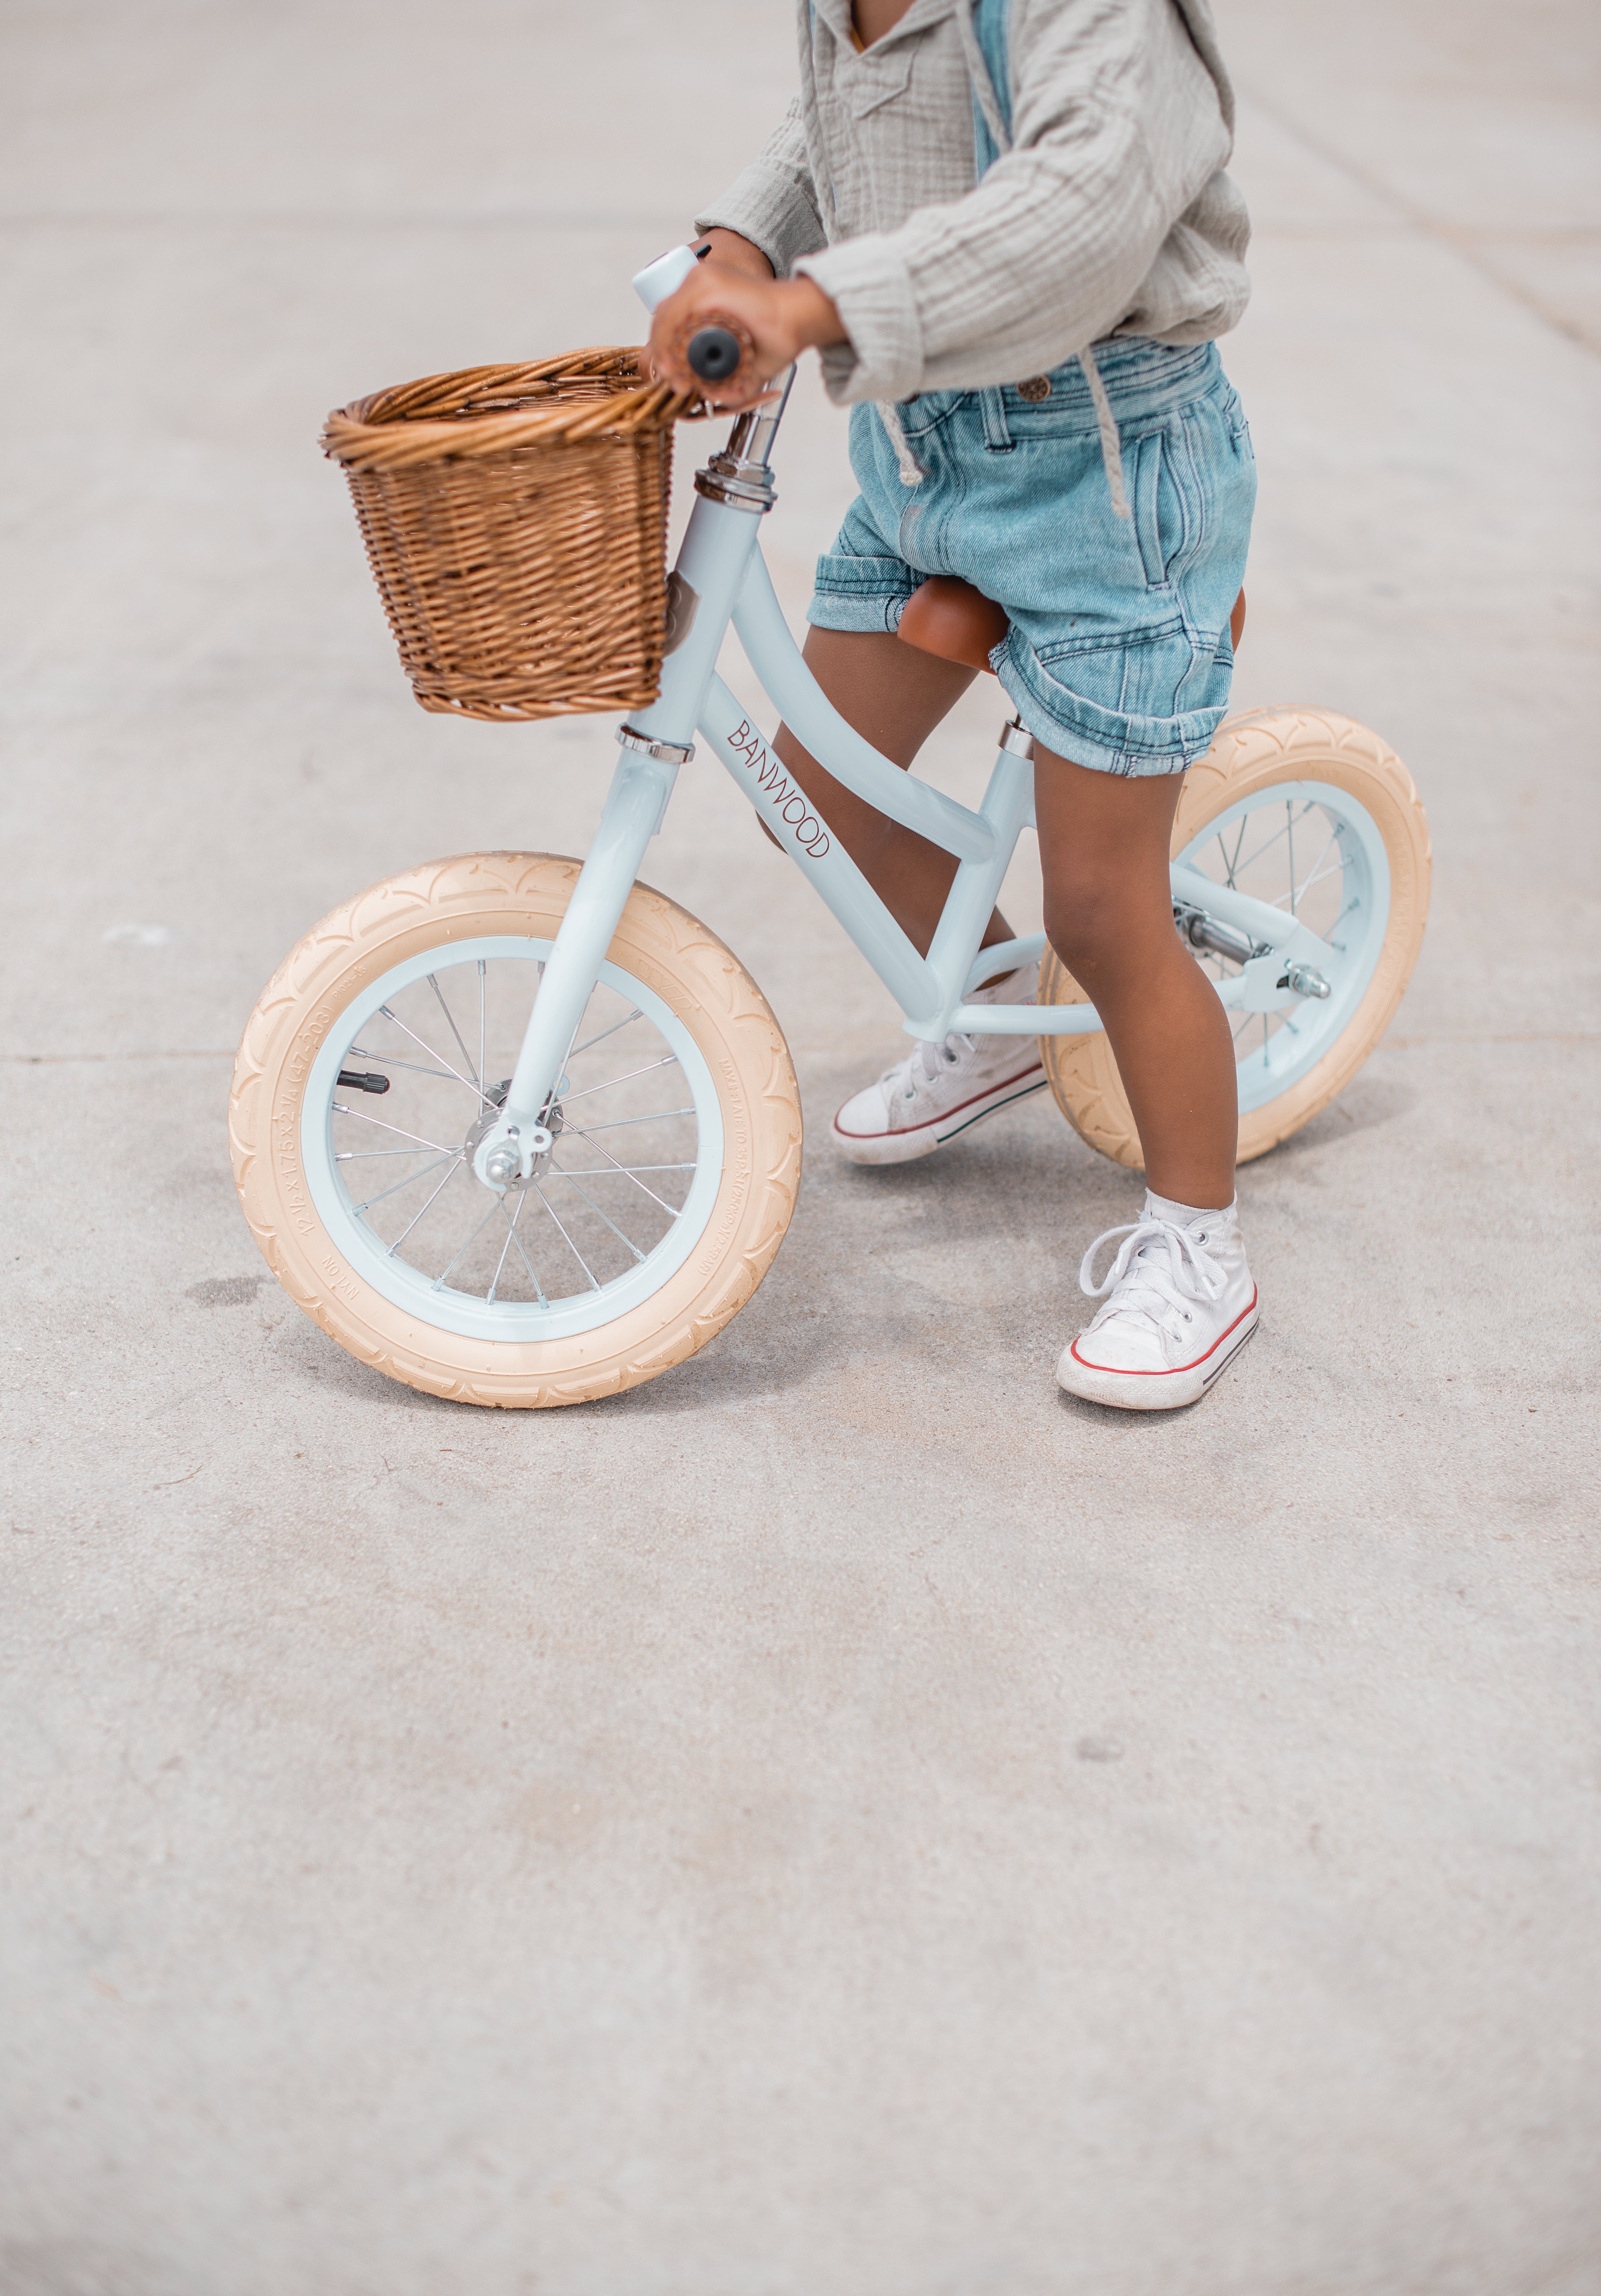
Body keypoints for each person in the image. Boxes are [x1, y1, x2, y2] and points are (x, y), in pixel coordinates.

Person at [649, 0, 1259, 1411]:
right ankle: (991, 1008)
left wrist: (810, 306)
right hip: (928, 454)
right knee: (826, 771)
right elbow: (830, 132)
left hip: (1109, 469)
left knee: (1105, 911)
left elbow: (1079, 207)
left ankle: (1198, 1238)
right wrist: (742, 245)